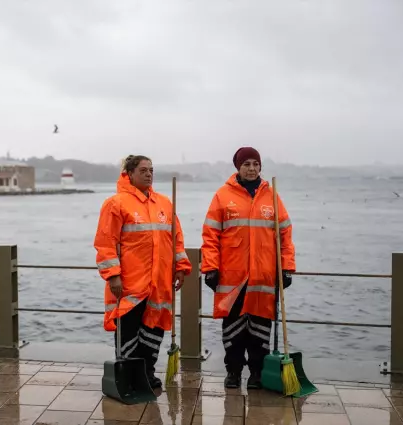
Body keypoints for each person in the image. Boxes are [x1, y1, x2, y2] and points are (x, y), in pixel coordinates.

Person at [201, 147, 296, 389]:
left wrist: (286, 268)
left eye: (256, 164)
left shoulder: (272, 197)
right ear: (238, 168)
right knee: (233, 329)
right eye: (247, 164)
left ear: (260, 166)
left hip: (263, 278)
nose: (252, 169)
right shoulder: (222, 196)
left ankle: (257, 373)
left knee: (260, 330)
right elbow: (210, 235)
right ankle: (233, 372)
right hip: (231, 278)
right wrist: (210, 267)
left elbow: (285, 235)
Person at [94, 155, 192, 388]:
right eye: (143, 170)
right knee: (128, 331)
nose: (149, 174)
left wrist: (181, 267)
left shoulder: (165, 203)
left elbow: (176, 239)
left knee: (153, 329)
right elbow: (106, 243)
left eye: (151, 170)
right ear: (129, 174)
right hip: (130, 283)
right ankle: (128, 374)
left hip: (159, 282)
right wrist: (113, 275)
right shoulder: (115, 204)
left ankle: (147, 372)